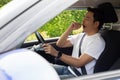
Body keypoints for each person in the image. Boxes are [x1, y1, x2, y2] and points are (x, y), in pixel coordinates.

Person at [42, 7, 106, 79]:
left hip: (79, 76)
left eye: (87, 19)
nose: (83, 20)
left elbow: (79, 63)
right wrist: (70, 28)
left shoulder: (97, 42)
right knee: (42, 68)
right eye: (84, 17)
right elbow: (60, 44)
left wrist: (56, 53)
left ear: (96, 24)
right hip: (70, 69)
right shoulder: (82, 35)